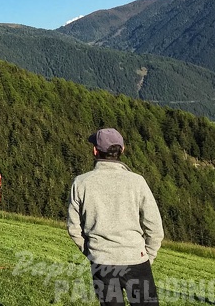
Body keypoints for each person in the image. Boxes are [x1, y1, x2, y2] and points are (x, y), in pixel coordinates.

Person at [67, 128, 164, 306]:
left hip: (102, 263)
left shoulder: (81, 183)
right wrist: (148, 256)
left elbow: (73, 228)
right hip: (137, 260)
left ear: (95, 151)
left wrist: (91, 252)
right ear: (123, 150)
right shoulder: (137, 181)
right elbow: (155, 228)